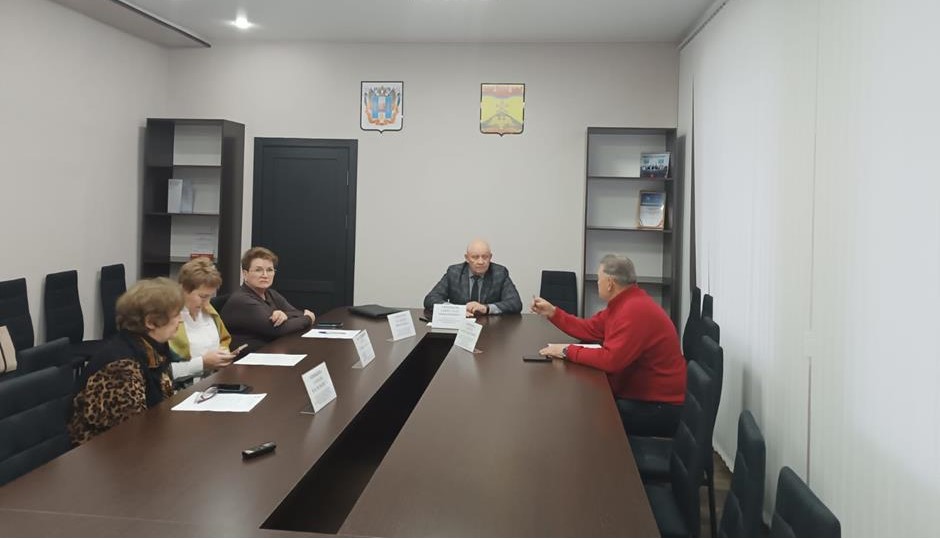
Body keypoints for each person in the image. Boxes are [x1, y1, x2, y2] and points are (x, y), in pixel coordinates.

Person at [532, 254, 686, 437]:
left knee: (587, 419)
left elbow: (611, 361)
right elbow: (589, 329)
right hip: (643, 395)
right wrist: (553, 312)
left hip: (660, 407)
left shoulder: (634, 310)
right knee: (586, 406)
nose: (597, 283)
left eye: (599, 279)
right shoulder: (624, 303)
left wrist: (567, 350)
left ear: (610, 283)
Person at [69, 277, 183, 445]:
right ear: (150, 322)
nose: (180, 320)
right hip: (102, 454)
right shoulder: (121, 367)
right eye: (176, 314)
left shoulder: (153, 351)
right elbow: (131, 432)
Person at [220, 246, 316, 352]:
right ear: (245, 274)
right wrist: (308, 318)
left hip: (270, 352)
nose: (265, 275)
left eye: (269, 270)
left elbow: (297, 313)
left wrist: (284, 314)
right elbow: (277, 330)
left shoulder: (271, 294)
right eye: (258, 270)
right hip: (247, 358)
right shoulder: (242, 300)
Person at [168, 257, 236, 383]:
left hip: (213, 382)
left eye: (210, 296)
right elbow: (164, 372)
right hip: (182, 388)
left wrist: (224, 354)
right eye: (202, 296)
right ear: (183, 289)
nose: (207, 302)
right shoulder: (167, 318)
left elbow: (224, 340)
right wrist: (202, 363)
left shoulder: (209, 311)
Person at [423, 239, 522, 316]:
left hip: (490, 329)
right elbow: (430, 299)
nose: (480, 262)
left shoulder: (499, 273)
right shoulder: (454, 272)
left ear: (490, 257)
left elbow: (515, 303)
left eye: (485, 257)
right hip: (460, 326)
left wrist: (486, 308)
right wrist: (457, 311)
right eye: (475, 257)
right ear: (467, 258)